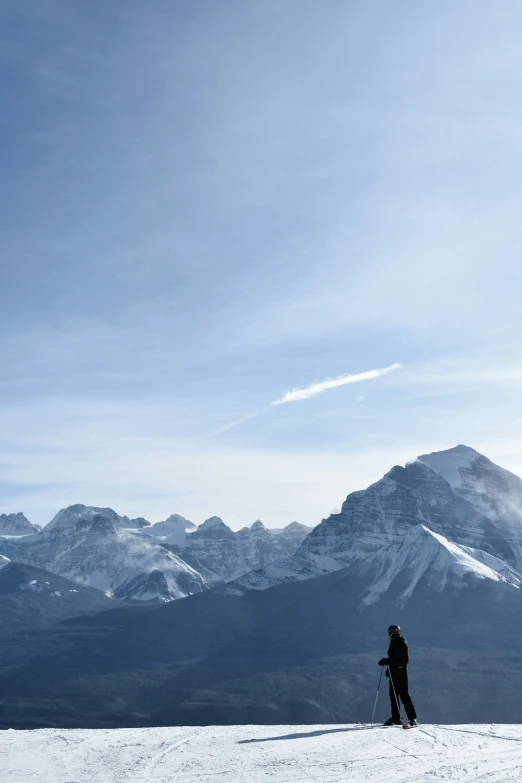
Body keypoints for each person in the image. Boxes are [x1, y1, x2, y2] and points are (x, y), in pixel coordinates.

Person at [378, 624, 417, 726]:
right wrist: (388, 662)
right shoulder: (395, 642)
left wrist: (387, 661)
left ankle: (412, 718)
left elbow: (404, 660)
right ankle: (397, 718)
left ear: (393, 632)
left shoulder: (401, 643)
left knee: (404, 696)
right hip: (395, 674)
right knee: (394, 697)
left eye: (390, 633)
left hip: (400, 675)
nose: (389, 635)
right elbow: (396, 658)